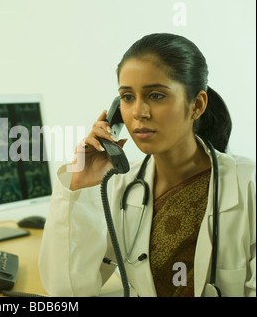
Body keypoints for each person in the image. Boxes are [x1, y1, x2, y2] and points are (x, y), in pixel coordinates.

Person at [38, 33, 256, 297]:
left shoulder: (248, 186)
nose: (139, 112)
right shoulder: (118, 186)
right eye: (127, 97)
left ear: (196, 105)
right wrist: (81, 183)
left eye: (156, 95)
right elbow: (67, 292)